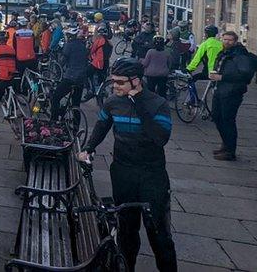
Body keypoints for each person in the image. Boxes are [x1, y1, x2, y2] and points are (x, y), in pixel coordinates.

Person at [79, 58, 177, 272]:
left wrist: (138, 104)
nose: (115, 86)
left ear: (136, 81)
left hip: (152, 174)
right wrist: (89, 148)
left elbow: (160, 138)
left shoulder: (157, 104)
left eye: (121, 82)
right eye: (114, 81)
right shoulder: (113, 102)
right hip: (123, 171)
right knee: (127, 230)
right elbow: (102, 125)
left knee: (159, 234)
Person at [209, 31, 257, 161]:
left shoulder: (240, 55)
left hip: (232, 92)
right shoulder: (224, 52)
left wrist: (222, 77)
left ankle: (230, 151)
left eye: (230, 40)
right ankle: (225, 144)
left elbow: (245, 75)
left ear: (235, 41)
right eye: (225, 39)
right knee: (216, 117)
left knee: (228, 120)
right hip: (220, 89)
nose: (227, 42)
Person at [51, 27, 89, 121]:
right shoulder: (82, 45)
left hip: (70, 77)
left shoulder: (69, 45)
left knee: (55, 97)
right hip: (81, 78)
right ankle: (76, 128)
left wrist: (57, 71)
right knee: (76, 103)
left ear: (69, 36)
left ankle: (54, 121)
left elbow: (62, 62)